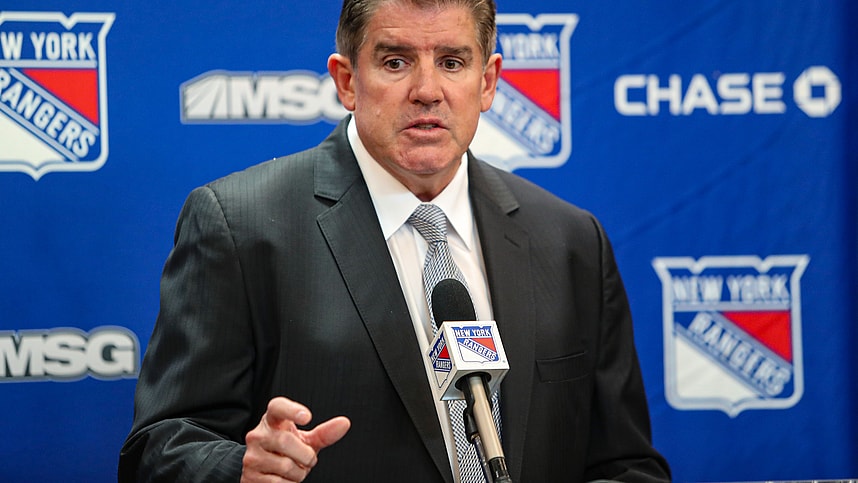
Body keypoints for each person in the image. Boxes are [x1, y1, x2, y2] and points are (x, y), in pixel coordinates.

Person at [119, 0, 671, 481]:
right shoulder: (241, 227)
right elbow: (156, 450)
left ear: (488, 82)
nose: (427, 91)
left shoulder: (571, 241)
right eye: (395, 61)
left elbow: (626, 466)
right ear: (346, 81)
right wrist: (237, 468)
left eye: (452, 62)